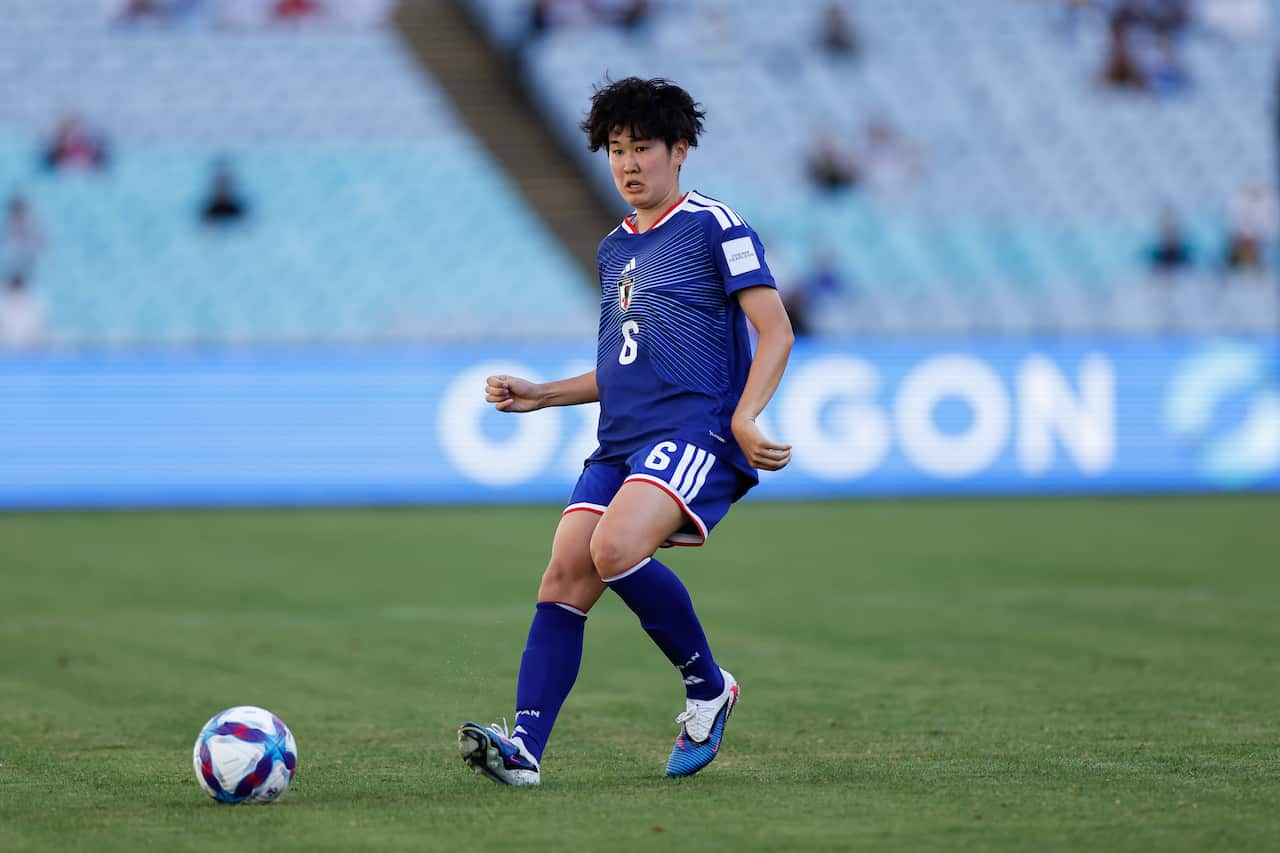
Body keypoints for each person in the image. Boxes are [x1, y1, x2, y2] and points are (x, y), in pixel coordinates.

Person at [456, 77, 794, 785]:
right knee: (565, 573)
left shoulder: (713, 225)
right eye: (616, 149)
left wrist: (744, 414)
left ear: (680, 150)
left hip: (695, 429)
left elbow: (776, 330)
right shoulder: (615, 248)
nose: (629, 163)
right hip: (621, 441)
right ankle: (524, 750)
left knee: (614, 545)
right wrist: (545, 393)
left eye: (643, 147)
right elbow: (625, 363)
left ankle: (709, 686)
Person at [200, 159, 249, 225]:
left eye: (226, 185)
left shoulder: (237, 211)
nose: (222, 190)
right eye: (219, 186)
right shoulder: (210, 212)